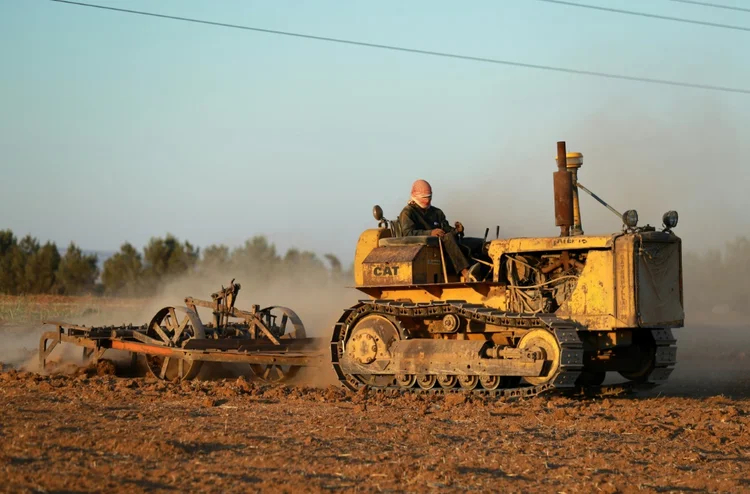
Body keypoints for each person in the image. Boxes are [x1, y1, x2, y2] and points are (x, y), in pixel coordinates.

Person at [398, 179, 478, 282]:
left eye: (429, 197)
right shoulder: (408, 213)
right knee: (447, 238)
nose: (427, 200)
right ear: (415, 196)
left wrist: (457, 231)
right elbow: (408, 233)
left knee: (476, 242)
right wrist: (430, 233)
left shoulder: (437, 212)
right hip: (425, 249)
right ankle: (465, 272)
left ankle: (482, 270)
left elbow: (446, 230)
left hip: (444, 244)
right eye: (424, 197)